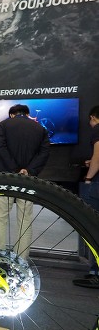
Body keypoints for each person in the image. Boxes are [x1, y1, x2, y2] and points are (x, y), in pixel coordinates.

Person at [0, 104, 50, 259]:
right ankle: (21, 260)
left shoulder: (4, 125)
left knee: (0, 218)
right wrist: (28, 170)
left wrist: (14, 168)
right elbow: (44, 152)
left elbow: (0, 147)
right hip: (28, 180)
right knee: (25, 221)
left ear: (12, 114)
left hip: (5, 177)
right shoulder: (39, 128)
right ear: (27, 114)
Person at [72, 105, 99, 288]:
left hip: (97, 185)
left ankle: (95, 273)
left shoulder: (97, 129)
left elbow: (98, 156)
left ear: (93, 118)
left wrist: (88, 177)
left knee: (93, 228)